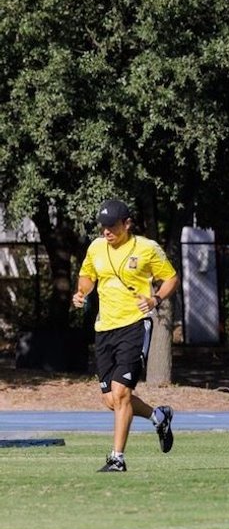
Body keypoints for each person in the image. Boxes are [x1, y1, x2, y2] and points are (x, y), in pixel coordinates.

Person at [73, 199, 178, 472]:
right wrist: (82, 292)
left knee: (121, 393)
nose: (106, 232)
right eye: (103, 227)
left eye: (112, 226)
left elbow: (170, 278)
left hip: (135, 325)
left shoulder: (147, 248)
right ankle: (158, 416)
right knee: (110, 400)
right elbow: (87, 275)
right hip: (105, 328)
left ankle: (117, 459)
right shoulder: (96, 247)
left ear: (127, 224)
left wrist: (155, 299)